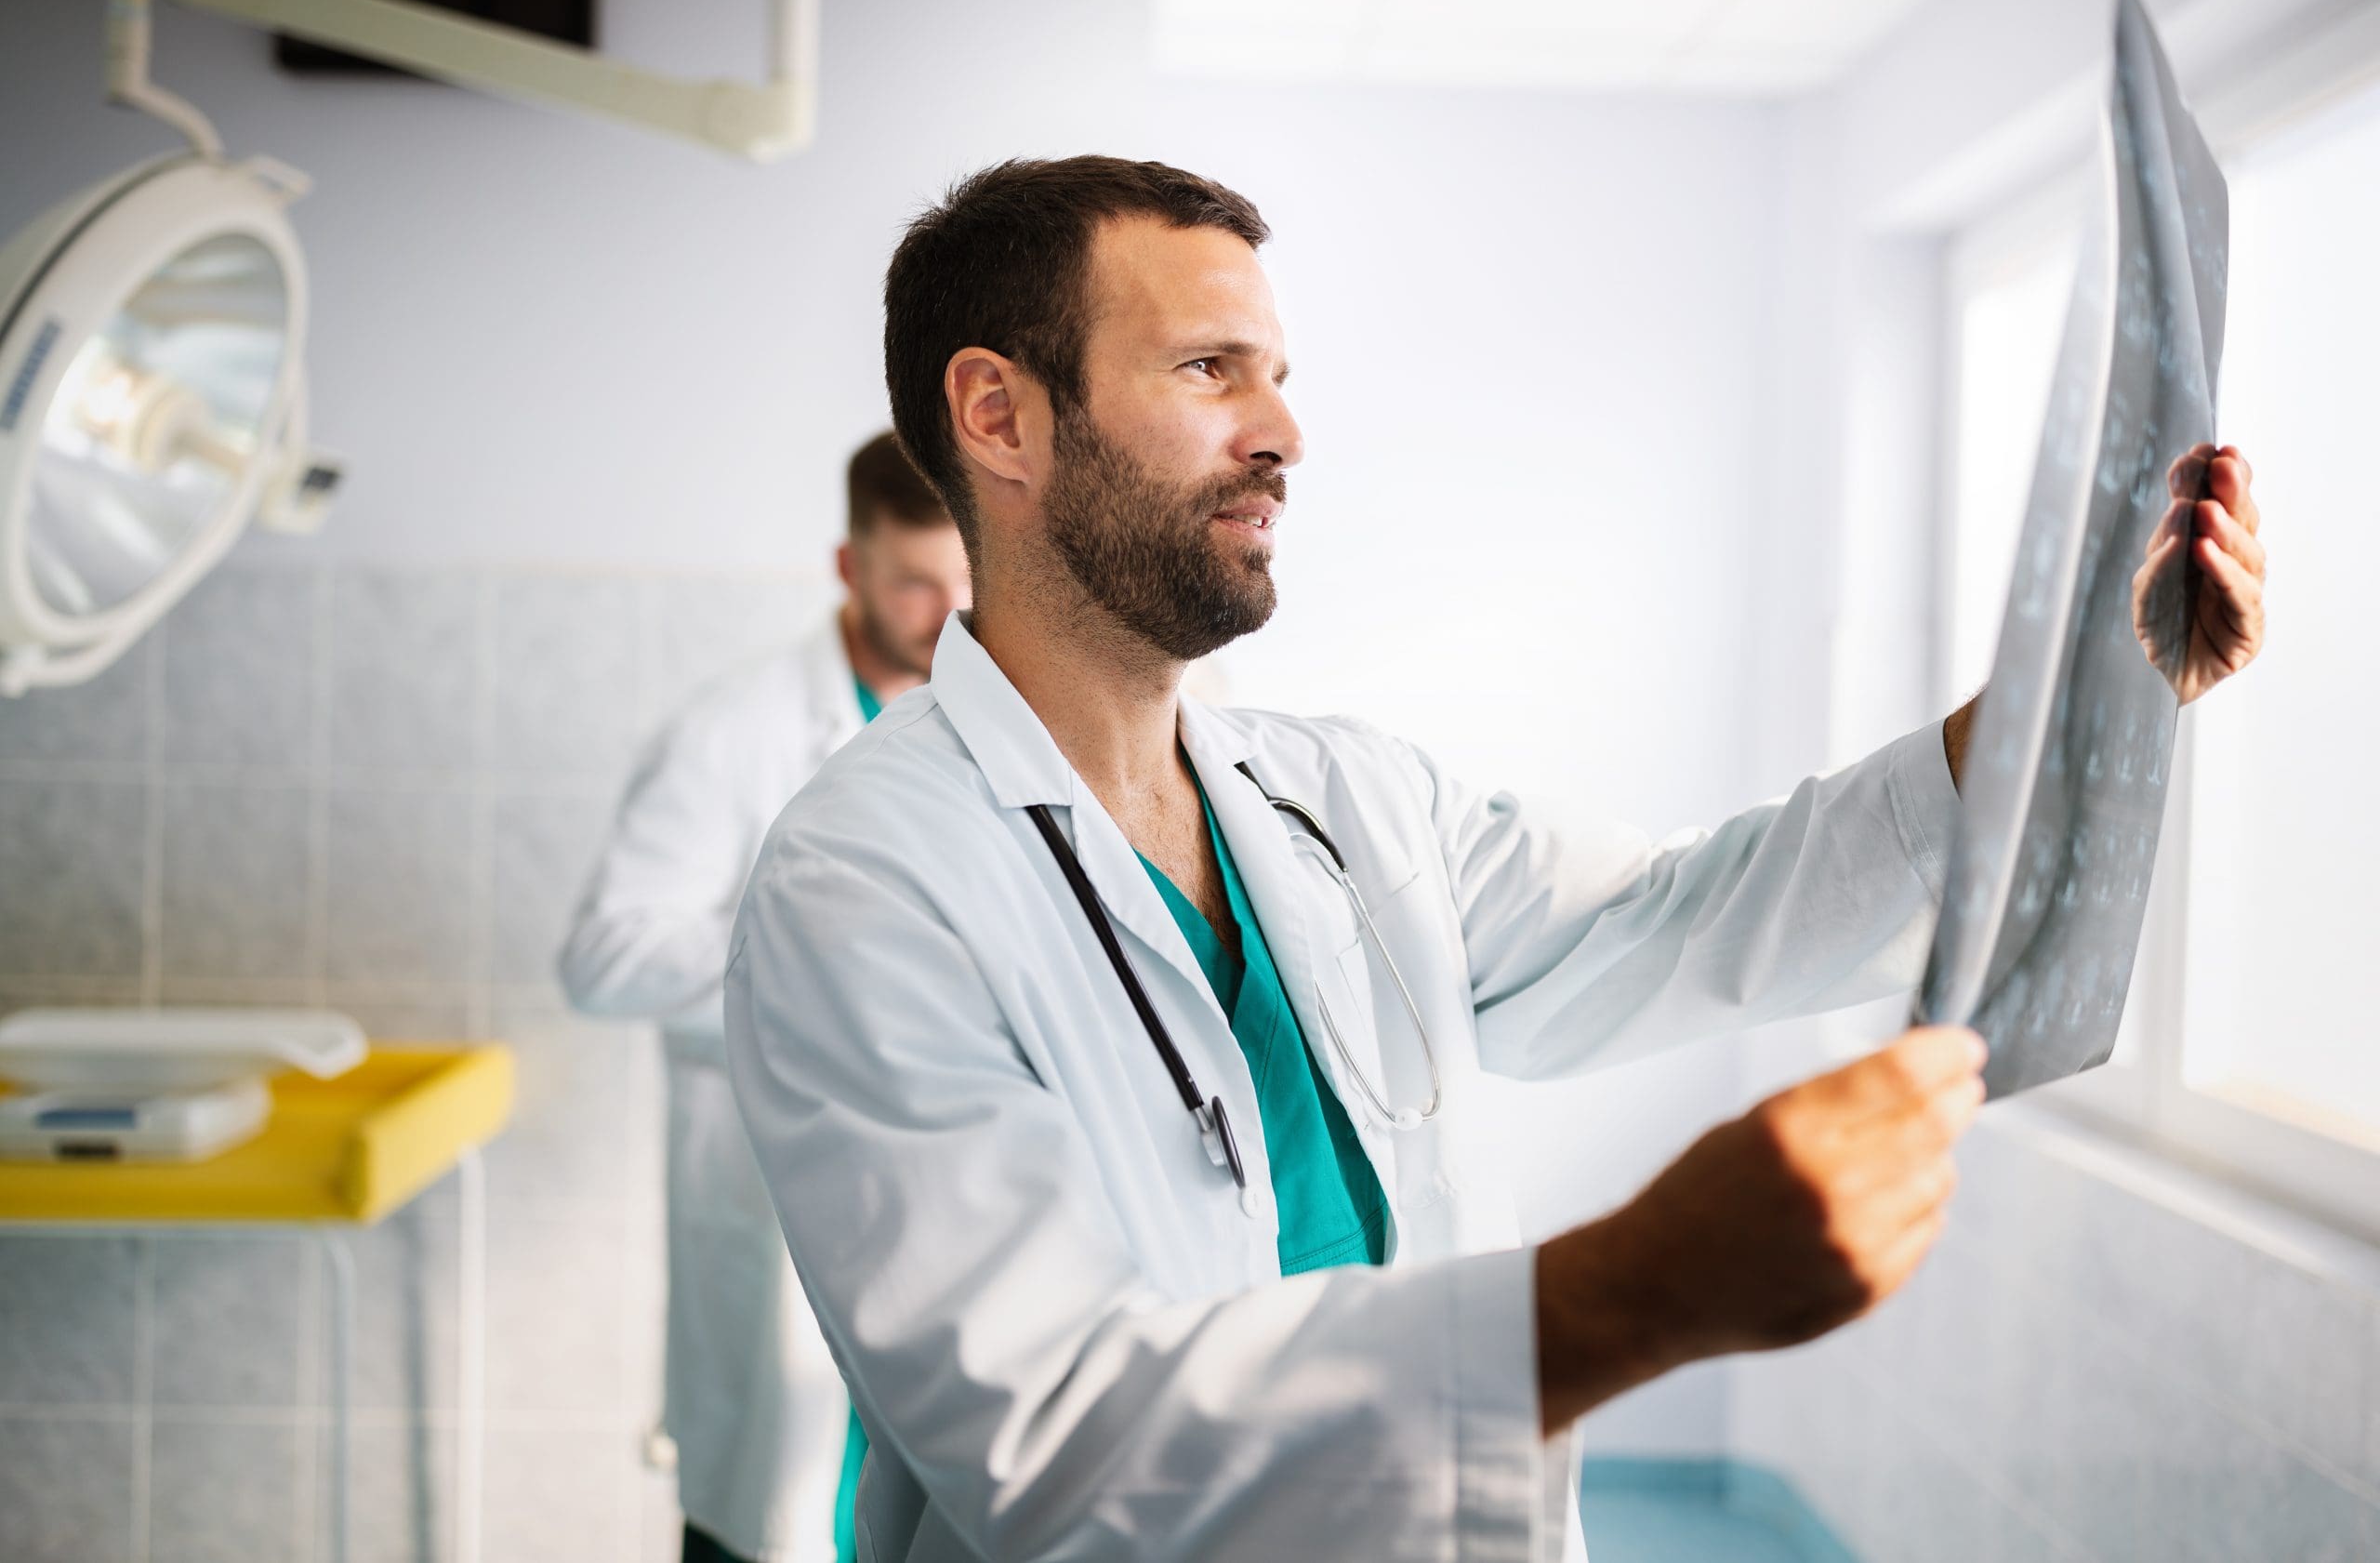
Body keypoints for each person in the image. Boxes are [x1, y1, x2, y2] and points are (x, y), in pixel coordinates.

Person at [721, 157, 2268, 1562]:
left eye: (1278, 377)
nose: (1283, 436)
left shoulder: (1338, 794)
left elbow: (1691, 912)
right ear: (1001, 416)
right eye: (1209, 371)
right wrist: (1629, 1289)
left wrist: (2089, 701)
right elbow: (1055, 1443)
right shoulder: (863, 882)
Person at [559, 431, 970, 1563]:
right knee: (776, 1522)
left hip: (952, 1239)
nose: (946, 614)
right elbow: (603, 956)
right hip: (779, 1216)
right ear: (849, 569)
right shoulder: (731, 733)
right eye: (912, 584)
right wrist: (806, 944)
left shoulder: (997, 731)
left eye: (963, 581)